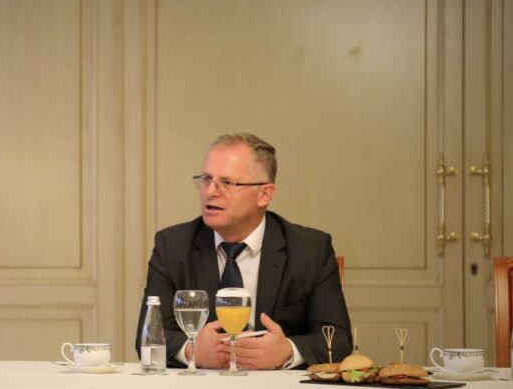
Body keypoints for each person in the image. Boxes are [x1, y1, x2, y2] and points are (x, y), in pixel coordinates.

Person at [135, 133, 352, 370]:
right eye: (206, 179)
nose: (210, 191)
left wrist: (287, 351)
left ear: (264, 194)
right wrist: (192, 350)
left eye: (227, 183)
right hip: (201, 387)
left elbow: (338, 339)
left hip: (277, 388)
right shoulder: (172, 246)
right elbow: (150, 335)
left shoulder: (310, 250)